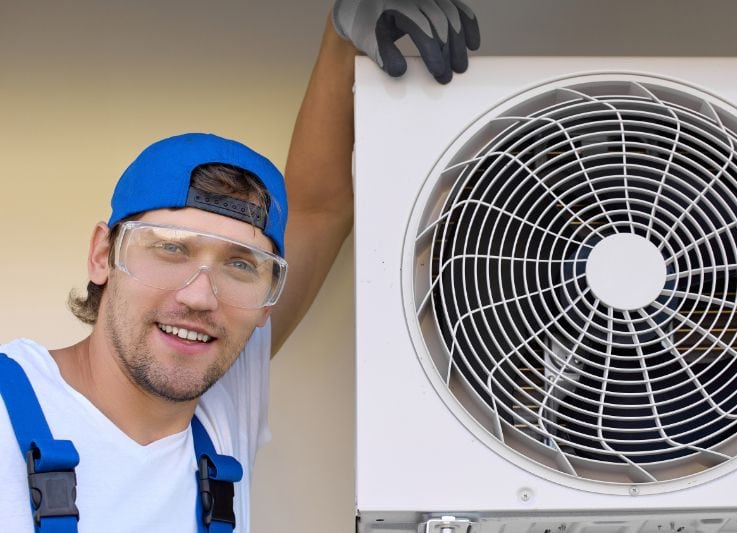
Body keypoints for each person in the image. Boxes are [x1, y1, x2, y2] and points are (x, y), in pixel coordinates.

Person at [0, 3, 480, 532]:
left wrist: (341, 38)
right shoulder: (7, 417)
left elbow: (319, 209)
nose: (200, 296)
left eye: (239, 265)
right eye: (171, 249)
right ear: (101, 255)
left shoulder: (222, 398)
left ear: (266, 297)